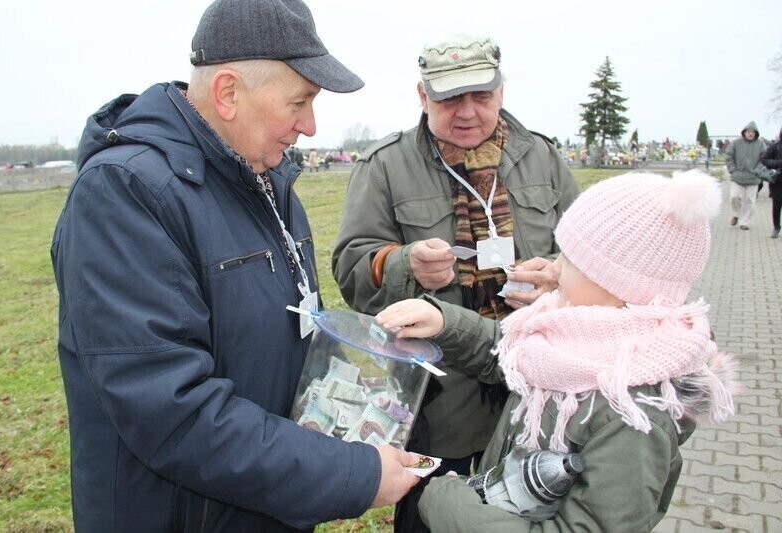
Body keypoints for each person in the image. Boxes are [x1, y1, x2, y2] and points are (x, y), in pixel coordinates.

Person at [50, 1, 419, 531]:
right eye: (300, 101)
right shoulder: (127, 193)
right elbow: (172, 413)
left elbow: (279, 320)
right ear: (227, 93)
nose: (311, 126)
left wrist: (361, 365)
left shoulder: (265, 179)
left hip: (264, 504)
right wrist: (349, 473)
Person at [376, 170, 738, 532]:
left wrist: (451, 506)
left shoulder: (633, 416)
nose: (556, 269)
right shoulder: (576, 337)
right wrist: (444, 322)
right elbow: (510, 354)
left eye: (570, 259)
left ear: (614, 284)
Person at [331, 34, 580, 531]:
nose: (467, 112)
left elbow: (590, 255)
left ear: (502, 92)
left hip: (540, 394)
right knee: (432, 516)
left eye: (481, 96)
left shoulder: (544, 159)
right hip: (439, 401)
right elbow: (351, 267)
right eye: (449, 98)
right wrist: (403, 264)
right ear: (423, 96)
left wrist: (558, 273)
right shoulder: (386, 166)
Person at [726, 121, 767, 230]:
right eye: (748, 131)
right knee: (734, 197)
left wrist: (757, 170)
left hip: (753, 177)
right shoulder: (736, 143)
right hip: (737, 176)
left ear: (756, 133)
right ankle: (736, 214)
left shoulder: (761, 144)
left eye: (753, 132)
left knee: (750, 201)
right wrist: (732, 170)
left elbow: (764, 159)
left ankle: (745, 222)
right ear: (744, 132)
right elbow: (729, 157)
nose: (750, 134)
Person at [760, 127, 782, 239]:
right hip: (777, 181)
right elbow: (764, 160)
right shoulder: (775, 147)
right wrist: (778, 163)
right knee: (777, 205)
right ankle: (776, 227)